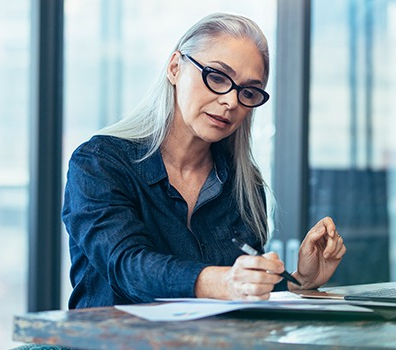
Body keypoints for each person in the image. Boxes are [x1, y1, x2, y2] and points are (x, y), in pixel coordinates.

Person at [62, 13, 346, 309]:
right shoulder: (99, 163)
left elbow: (242, 288)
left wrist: (299, 280)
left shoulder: (243, 184)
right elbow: (126, 266)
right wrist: (223, 283)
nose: (231, 102)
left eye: (248, 91)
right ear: (175, 68)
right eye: (217, 77)